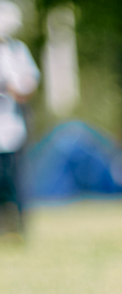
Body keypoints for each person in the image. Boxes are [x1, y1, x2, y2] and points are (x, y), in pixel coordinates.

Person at [0, 0, 40, 236]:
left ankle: (18, 225)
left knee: (16, 178)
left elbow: (28, 82)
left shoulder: (17, 51)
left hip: (13, 125)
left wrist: (16, 89)